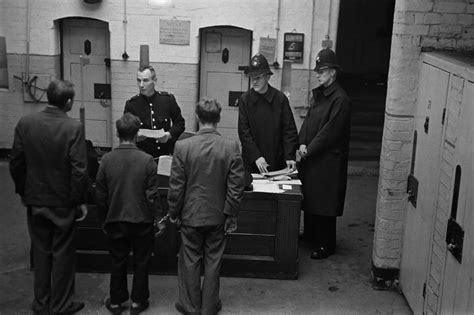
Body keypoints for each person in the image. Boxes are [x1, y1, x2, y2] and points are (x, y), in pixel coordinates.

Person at [9, 79, 88, 315]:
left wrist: (25, 191)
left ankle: (41, 303)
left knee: (41, 251)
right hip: (63, 201)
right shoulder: (73, 128)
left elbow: (15, 163)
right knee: (63, 254)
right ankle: (62, 304)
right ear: (69, 102)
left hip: (35, 199)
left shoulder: (25, 123)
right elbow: (79, 170)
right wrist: (79, 200)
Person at [168, 98, 245, 315]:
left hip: (191, 215)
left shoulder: (182, 146)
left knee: (190, 260)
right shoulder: (231, 147)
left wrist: (174, 211)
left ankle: (190, 306)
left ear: (197, 118)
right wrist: (231, 214)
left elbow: (176, 186)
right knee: (213, 262)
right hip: (218, 216)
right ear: (218, 119)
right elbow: (236, 186)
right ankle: (210, 306)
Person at [95, 113, 164, 315]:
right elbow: (152, 194)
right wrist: (159, 220)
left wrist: (103, 219)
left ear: (117, 133)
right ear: (138, 134)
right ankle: (138, 302)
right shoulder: (147, 160)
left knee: (118, 261)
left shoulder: (106, 160)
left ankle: (116, 302)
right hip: (141, 219)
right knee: (141, 261)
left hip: (115, 218)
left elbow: (100, 194)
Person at [298, 48, 352, 260]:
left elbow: (330, 132)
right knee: (311, 198)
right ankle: (311, 235)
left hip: (328, 161)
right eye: (317, 71)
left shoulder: (340, 100)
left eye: (322, 70)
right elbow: (309, 121)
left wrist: (308, 149)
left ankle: (327, 243)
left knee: (325, 203)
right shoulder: (320, 95)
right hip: (313, 157)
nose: (318, 74)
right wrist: (302, 142)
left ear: (333, 72)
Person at [238, 53, 298, 174]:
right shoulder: (245, 100)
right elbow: (244, 132)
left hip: (277, 161)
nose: (254, 81)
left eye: (258, 77)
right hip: (252, 162)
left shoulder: (280, 99)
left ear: (268, 77)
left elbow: (289, 130)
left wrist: (289, 155)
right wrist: (256, 156)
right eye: (252, 77)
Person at [124, 65, 185, 158]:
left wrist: (168, 135)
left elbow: (180, 123)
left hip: (163, 155)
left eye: (145, 80)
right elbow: (125, 130)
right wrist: (134, 136)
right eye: (138, 80)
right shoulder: (132, 104)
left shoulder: (167, 100)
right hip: (141, 157)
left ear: (155, 80)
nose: (141, 85)